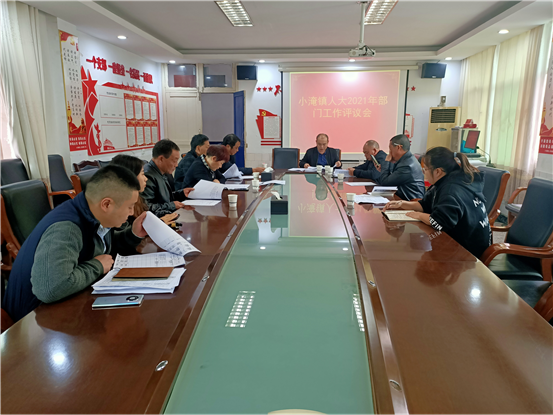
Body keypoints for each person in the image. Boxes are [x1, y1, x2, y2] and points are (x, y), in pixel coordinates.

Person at [3, 166, 148, 322]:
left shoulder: (92, 213)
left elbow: (100, 248)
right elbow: (51, 289)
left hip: (67, 301)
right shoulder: (67, 228)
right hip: (34, 318)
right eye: (130, 206)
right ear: (106, 204)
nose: (132, 212)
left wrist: (133, 233)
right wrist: (97, 266)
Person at [383, 147, 491, 258]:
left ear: (438, 171)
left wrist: (419, 215)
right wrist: (402, 204)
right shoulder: (445, 182)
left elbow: (438, 222)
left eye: (425, 169)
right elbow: (425, 205)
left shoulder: (451, 190)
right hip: (459, 242)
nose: (424, 173)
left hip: (468, 253)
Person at [110, 154, 178, 224]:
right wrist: (160, 222)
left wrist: (164, 214)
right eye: (142, 174)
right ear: (130, 177)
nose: (146, 179)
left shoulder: (138, 198)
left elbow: (147, 214)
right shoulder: (117, 206)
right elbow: (132, 229)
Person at [142, 139, 193, 216]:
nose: (176, 165)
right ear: (161, 159)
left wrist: (181, 194)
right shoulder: (147, 176)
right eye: (174, 161)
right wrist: (171, 206)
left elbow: (164, 198)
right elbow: (146, 208)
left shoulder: (162, 171)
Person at [376, 134, 425, 200]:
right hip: (403, 198)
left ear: (398, 147)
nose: (390, 153)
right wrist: (385, 168)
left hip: (412, 202)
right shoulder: (407, 159)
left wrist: (386, 162)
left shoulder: (407, 166)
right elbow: (391, 177)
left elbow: (385, 182)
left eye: (390, 149)